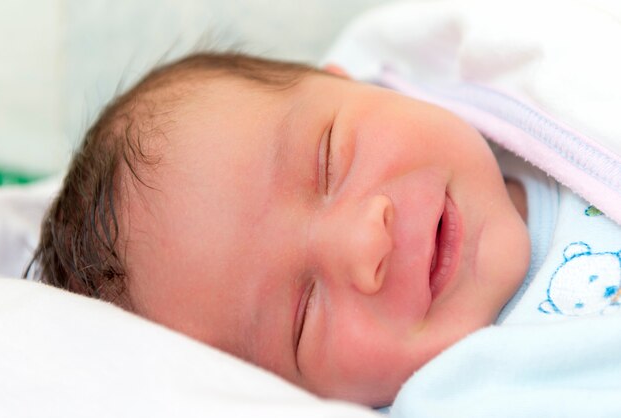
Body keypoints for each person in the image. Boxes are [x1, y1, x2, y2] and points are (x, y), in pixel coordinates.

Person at [30, 49, 586, 408]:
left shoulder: (550, 77)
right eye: (303, 316)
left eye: (329, 159)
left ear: (345, 82)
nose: (366, 242)